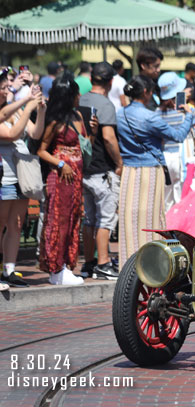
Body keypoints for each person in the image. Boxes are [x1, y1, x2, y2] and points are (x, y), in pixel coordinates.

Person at [116, 75, 195, 269]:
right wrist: (190, 116)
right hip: (150, 170)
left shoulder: (120, 113)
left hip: (128, 169)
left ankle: (128, 262)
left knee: (129, 217)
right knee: (153, 217)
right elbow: (177, 136)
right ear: (146, 92)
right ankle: (151, 263)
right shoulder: (150, 117)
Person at [38, 73, 95, 285]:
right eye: (76, 94)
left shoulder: (77, 116)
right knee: (58, 221)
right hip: (60, 177)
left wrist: (93, 133)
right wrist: (61, 164)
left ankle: (66, 266)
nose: (79, 97)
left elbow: (84, 145)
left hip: (76, 177)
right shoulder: (55, 121)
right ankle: (56, 268)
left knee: (72, 220)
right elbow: (41, 150)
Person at [0, 71, 46, 288]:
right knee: (1, 224)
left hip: (20, 174)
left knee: (16, 224)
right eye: (4, 86)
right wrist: (27, 105)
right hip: (4, 175)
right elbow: (11, 134)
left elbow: (35, 134)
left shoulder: (16, 110)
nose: (7, 89)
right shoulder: (6, 111)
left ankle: (9, 269)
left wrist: (41, 110)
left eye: (8, 86)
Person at [79, 62, 122, 280]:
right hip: (102, 169)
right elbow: (108, 137)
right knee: (105, 219)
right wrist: (119, 162)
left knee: (89, 219)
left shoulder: (80, 99)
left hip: (83, 168)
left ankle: (88, 263)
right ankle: (104, 263)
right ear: (110, 81)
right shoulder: (105, 104)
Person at [157, 71, 195, 209]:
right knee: (182, 199)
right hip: (182, 158)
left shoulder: (157, 112)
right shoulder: (187, 111)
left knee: (167, 201)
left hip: (165, 158)